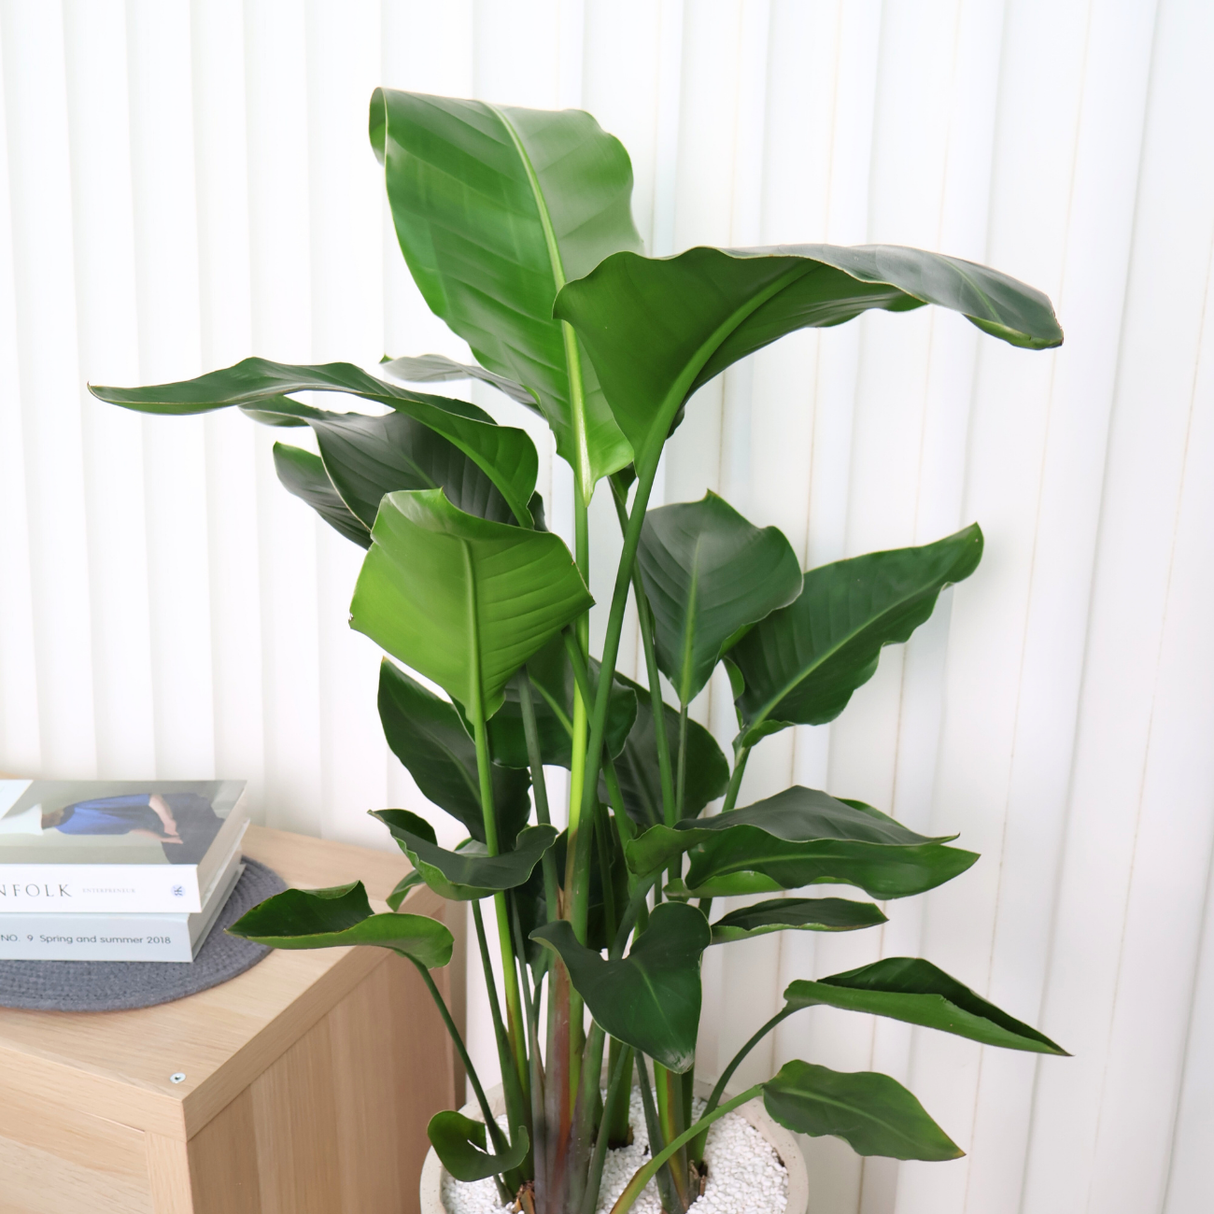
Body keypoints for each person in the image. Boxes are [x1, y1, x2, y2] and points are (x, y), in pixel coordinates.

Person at [42, 793, 184, 843]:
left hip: (172, 809)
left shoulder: (77, 808)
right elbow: (130, 827)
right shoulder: (66, 829)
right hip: (162, 825)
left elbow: (152, 798)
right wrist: (162, 838)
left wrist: (168, 821)